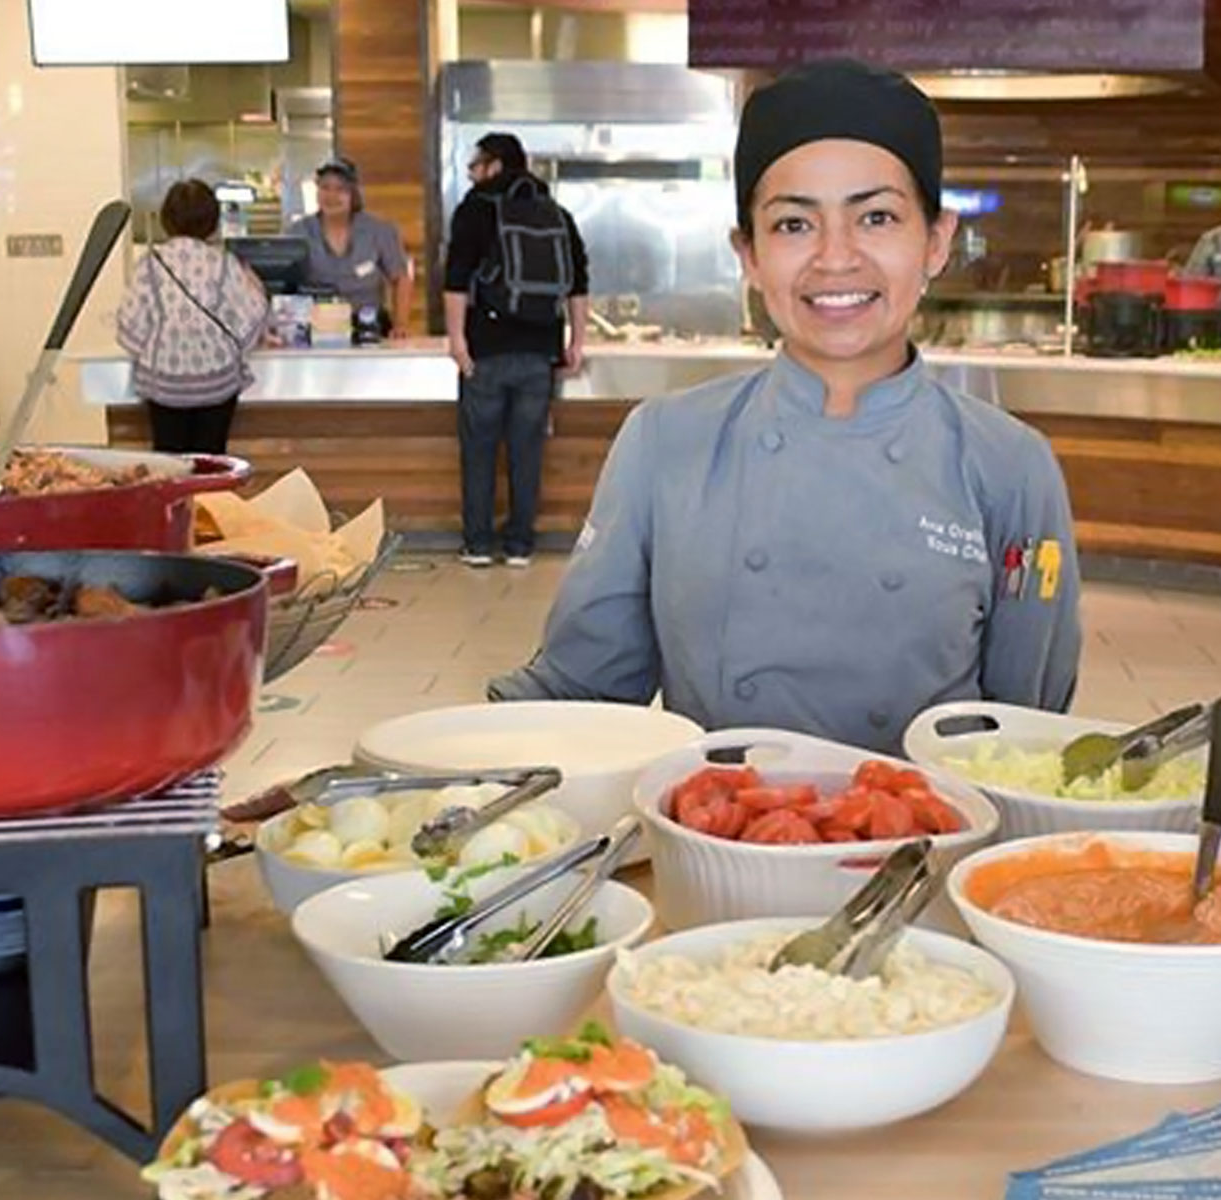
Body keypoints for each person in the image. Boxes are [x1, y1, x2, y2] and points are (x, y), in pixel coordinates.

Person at [486, 60, 1083, 756]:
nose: (835, 259)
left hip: (926, 852)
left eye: (877, 217)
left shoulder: (1011, 466)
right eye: (794, 224)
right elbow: (580, 694)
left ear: (936, 241)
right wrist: (453, 753)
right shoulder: (665, 442)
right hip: (716, 846)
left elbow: (1025, 737)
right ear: (749, 254)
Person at [444, 133, 592, 569]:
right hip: (539, 351)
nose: (472, 173)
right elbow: (578, 282)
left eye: (476, 164)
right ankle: (520, 545)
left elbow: (456, 278)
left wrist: (457, 339)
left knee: (480, 449)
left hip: (486, 349)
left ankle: (477, 544)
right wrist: (576, 341)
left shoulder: (475, 209)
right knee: (528, 450)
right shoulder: (555, 213)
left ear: (493, 165)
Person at [117, 180, 270, 455]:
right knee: (213, 463)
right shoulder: (224, 263)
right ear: (213, 220)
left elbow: (130, 327)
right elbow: (252, 319)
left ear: (167, 219)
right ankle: (212, 499)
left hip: (163, 385)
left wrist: (160, 350)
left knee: (169, 465)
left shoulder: (150, 265)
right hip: (218, 384)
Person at [297, 159, 413, 338]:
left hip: (369, 324)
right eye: (325, 188)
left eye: (340, 189)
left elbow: (401, 279)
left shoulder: (379, 230)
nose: (331, 196)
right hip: (316, 327)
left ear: (354, 194)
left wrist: (401, 325)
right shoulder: (298, 232)